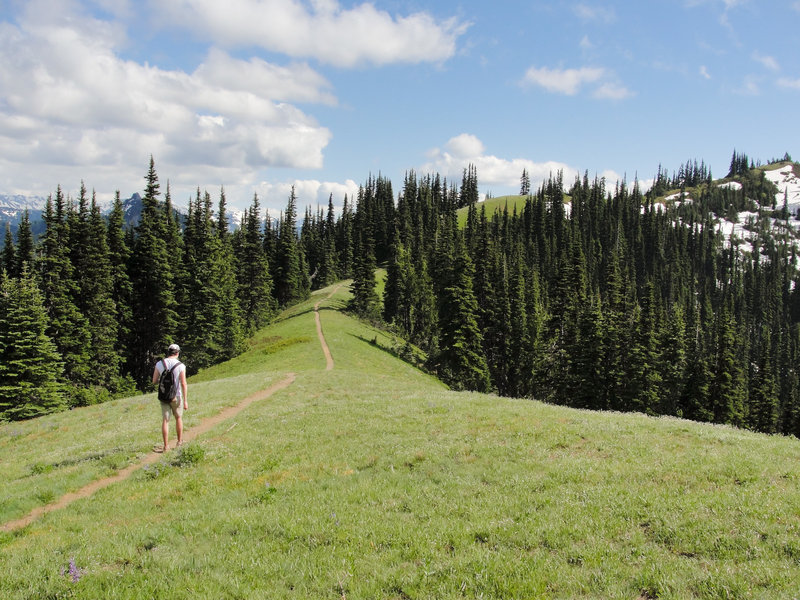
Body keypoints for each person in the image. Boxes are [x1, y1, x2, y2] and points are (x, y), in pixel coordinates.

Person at [152, 343, 188, 452]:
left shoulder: (159, 364)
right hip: (176, 396)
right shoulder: (181, 365)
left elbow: (154, 381)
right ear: (177, 353)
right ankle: (179, 442)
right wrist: (185, 401)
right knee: (178, 418)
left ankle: (166, 446)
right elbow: (183, 383)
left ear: (168, 352)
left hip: (163, 396)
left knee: (165, 420)